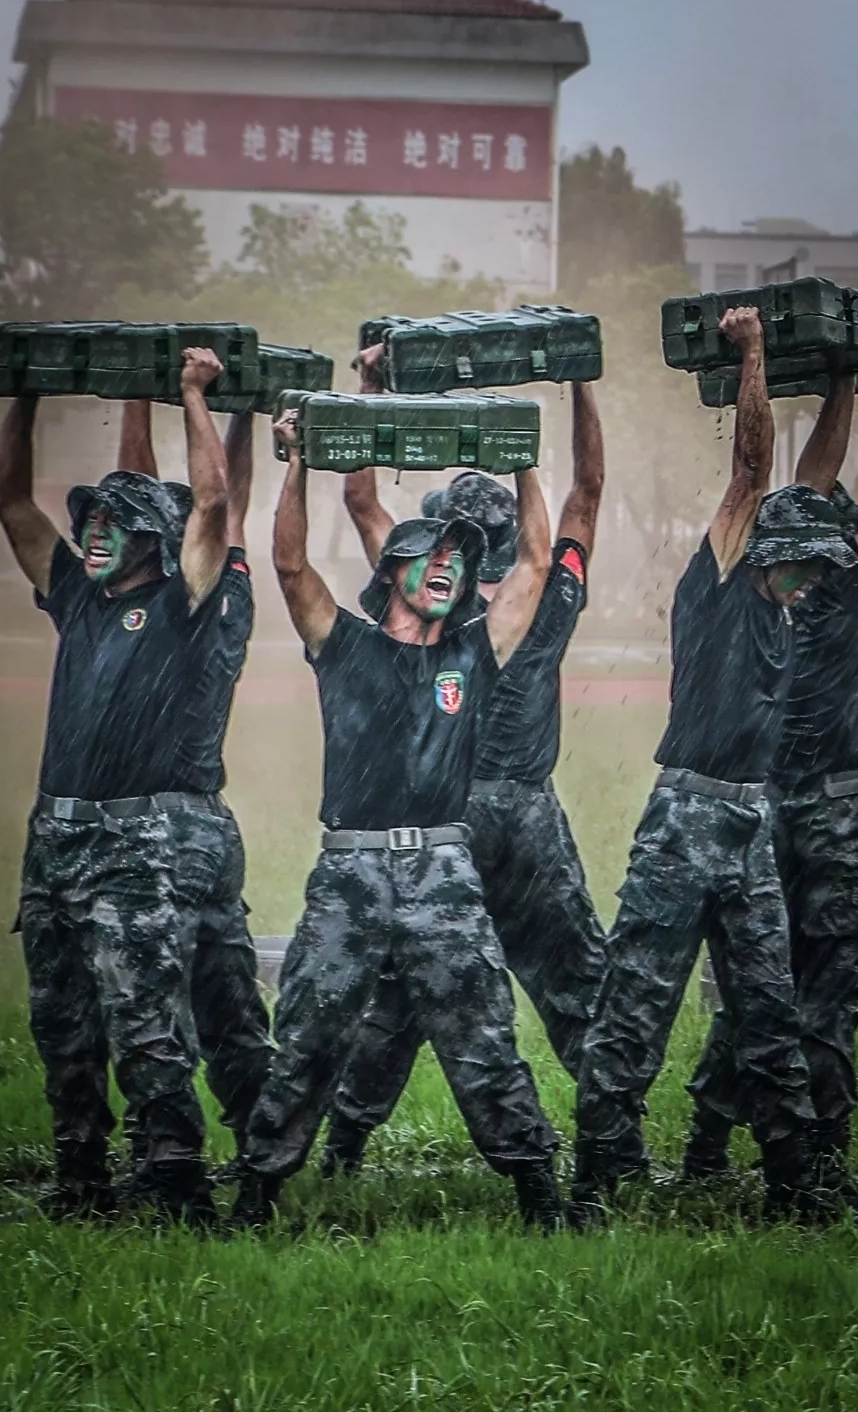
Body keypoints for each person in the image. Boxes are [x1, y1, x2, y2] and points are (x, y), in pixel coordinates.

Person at [236, 406, 562, 1229]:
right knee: (309, 1033)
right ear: (392, 571)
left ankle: (539, 1192)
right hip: (349, 869)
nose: (450, 564)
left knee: (482, 1035)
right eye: (434, 553)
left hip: (443, 871)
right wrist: (296, 462)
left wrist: (524, 462)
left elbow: (534, 562)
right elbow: (288, 561)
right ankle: (256, 1192)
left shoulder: (472, 652)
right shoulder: (342, 643)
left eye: (460, 557)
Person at [571, 306, 858, 1224]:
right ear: (763, 551)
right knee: (637, 1005)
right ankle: (600, 1179)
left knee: (768, 1012)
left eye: (818, 567)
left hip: (749, 824)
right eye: (800, 563)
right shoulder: (722, 582)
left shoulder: (783, 604)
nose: (812, 578)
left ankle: (796, 1187)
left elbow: (812, 484)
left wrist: (845, 383)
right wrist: (753, 353)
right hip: (685, 820)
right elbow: (752, 472)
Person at [322, 353, 608, 1174]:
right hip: (528, 819)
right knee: (578, 988)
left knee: (400, 996)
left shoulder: (427, 595)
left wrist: (368, 390)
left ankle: (342, 1147)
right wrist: (578, 381)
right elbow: (587, 491)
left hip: (442, 821)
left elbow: (361, 500)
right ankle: (611, 1148)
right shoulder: (546, 591)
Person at [0, 348, 232, 1223]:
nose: (90, 531)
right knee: (61, 1025)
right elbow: (9, 500)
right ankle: (81, 1179)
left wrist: (192, 395)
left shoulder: (180, 601)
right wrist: (25, 393)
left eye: (111, 522)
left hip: (134, 849)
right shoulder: (74, 597)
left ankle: (175, 1183)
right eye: (89, 518)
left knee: (145, 1022)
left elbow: (212, 504)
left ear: (150, 541)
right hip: (52, 841)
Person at [683, 339, 858, 1184]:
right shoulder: (835, 582)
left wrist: (848, 382)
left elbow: (822, 486)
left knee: (758, 985)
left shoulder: (759, 589)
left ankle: (707, 1148)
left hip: (762, 808)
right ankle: (815, 1167)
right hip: (827, 813)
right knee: (822, 989)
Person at [116, 400, 271, 1175]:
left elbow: (207, 504)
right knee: (230, 1002)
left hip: (160, 835)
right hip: (211, 825)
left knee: (157, 1006)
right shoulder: (228, 592)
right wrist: (239, 417)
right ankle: (263, 1149)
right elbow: (226, 504)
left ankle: (170, 1163)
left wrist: (156, 395)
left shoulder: (182, 604)